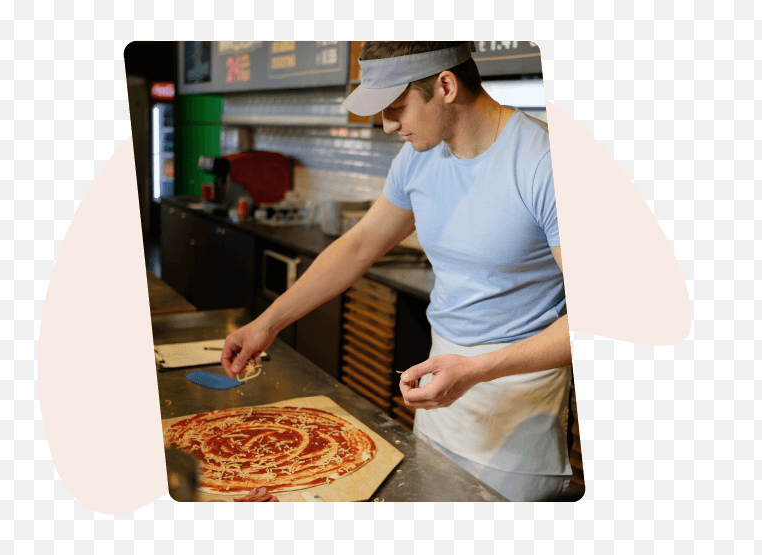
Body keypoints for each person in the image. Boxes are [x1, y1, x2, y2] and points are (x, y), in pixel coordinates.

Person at [221, 41, 573, 501]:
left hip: (517, 399)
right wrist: (267, 324)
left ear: (445, 85)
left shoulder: (545, 163)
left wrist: (476, 370)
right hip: (441, 386)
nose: (388, 125)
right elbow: (358, 245)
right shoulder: (419, 155)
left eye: (396, 107)